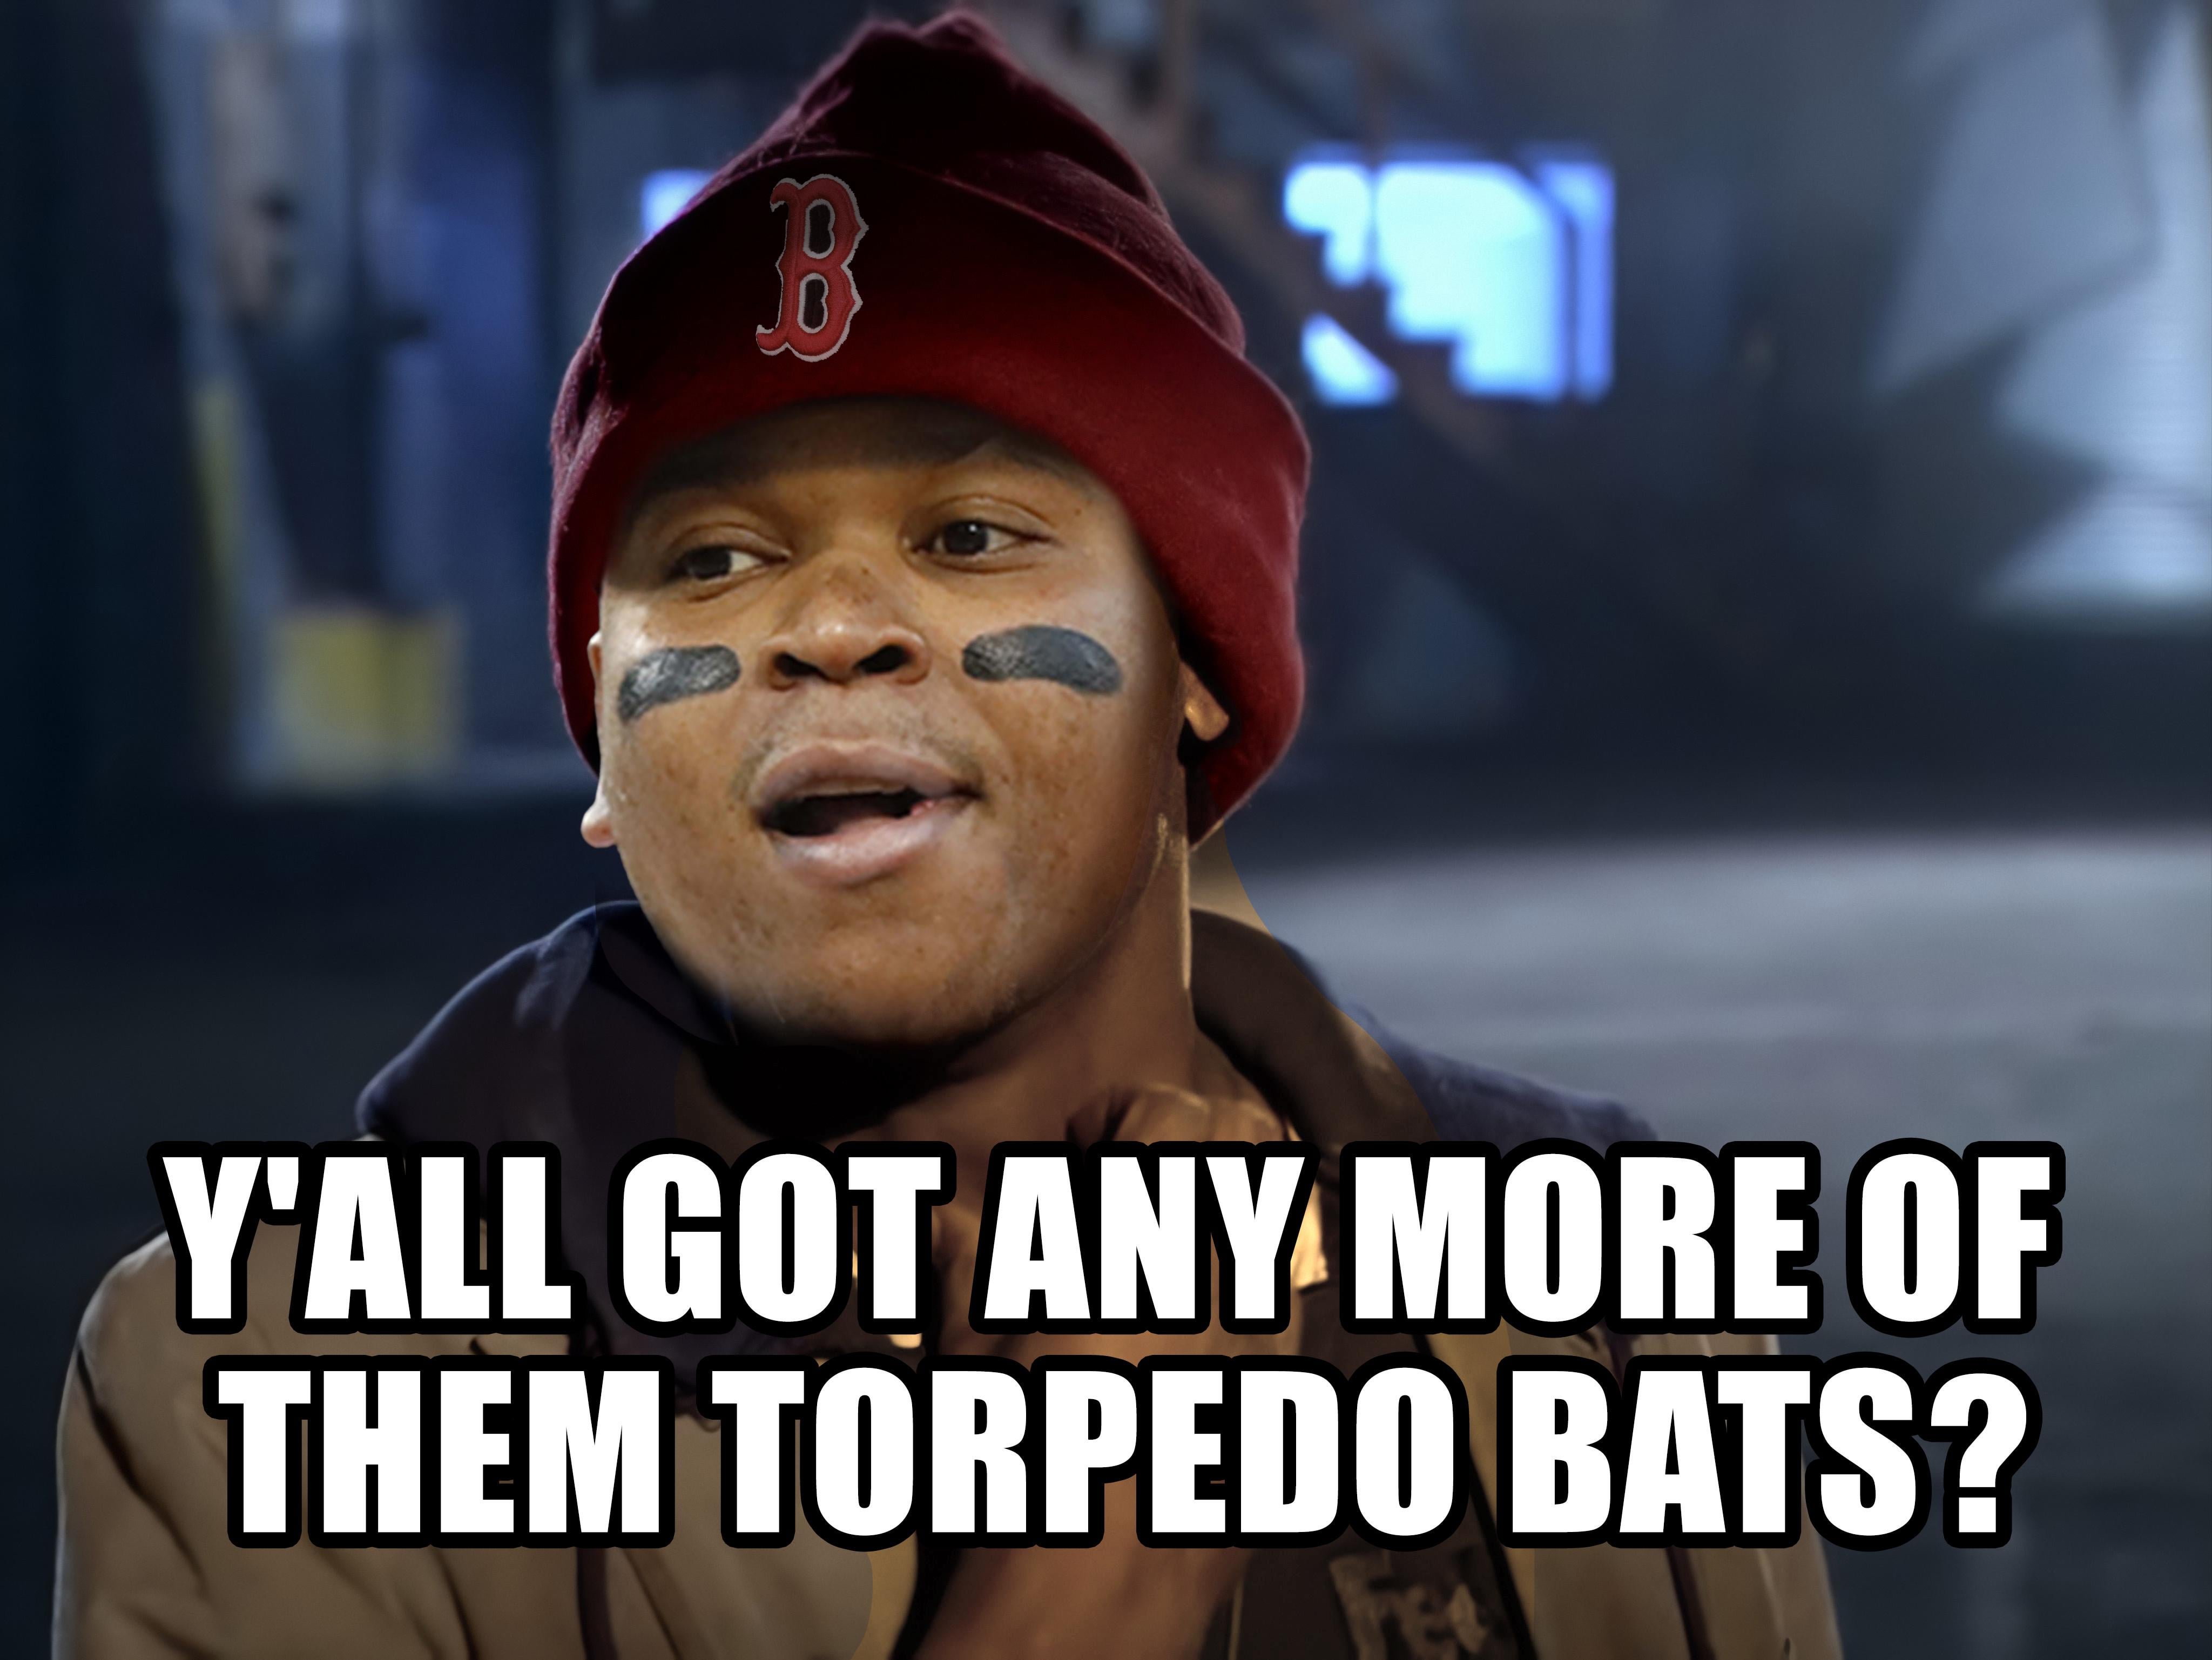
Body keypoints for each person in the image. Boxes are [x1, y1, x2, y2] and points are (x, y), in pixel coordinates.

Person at [55, 14, 1841, 1659]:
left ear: (1196, 670)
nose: (833, 627)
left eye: (972, 534)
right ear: (603, 735)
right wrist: (1080, 1583)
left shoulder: (1599, 1291)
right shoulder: (260, 1387)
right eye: (714, 558)